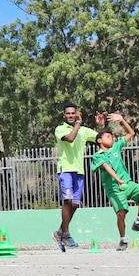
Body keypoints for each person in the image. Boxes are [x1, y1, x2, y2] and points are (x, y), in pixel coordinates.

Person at [90, 112, 139, 250]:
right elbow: (107, 168)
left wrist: (122, 120)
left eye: (112, 137)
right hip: (114, 188)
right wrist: (118, 181)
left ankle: (138, 221)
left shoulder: (116, 147)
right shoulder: (97, 156)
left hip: (127, 183)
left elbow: (131, 133)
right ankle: (123, 240)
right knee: (121, 213)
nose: (111, 139)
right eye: (108, 137)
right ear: (100, 141)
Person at [51, 102, 103, 251]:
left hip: (79, 171)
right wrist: (78, 124)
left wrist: (100, 126)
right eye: (68, 114)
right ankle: (66, 234)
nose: (71, 116)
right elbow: (70, 138)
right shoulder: (60, 129)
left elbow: (100, 138)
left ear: (77, 113)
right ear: (64, 115)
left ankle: (59, 233)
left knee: (74, 204)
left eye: (73, 113)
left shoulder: (84, 130)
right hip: (65, 169)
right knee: (67, 200)